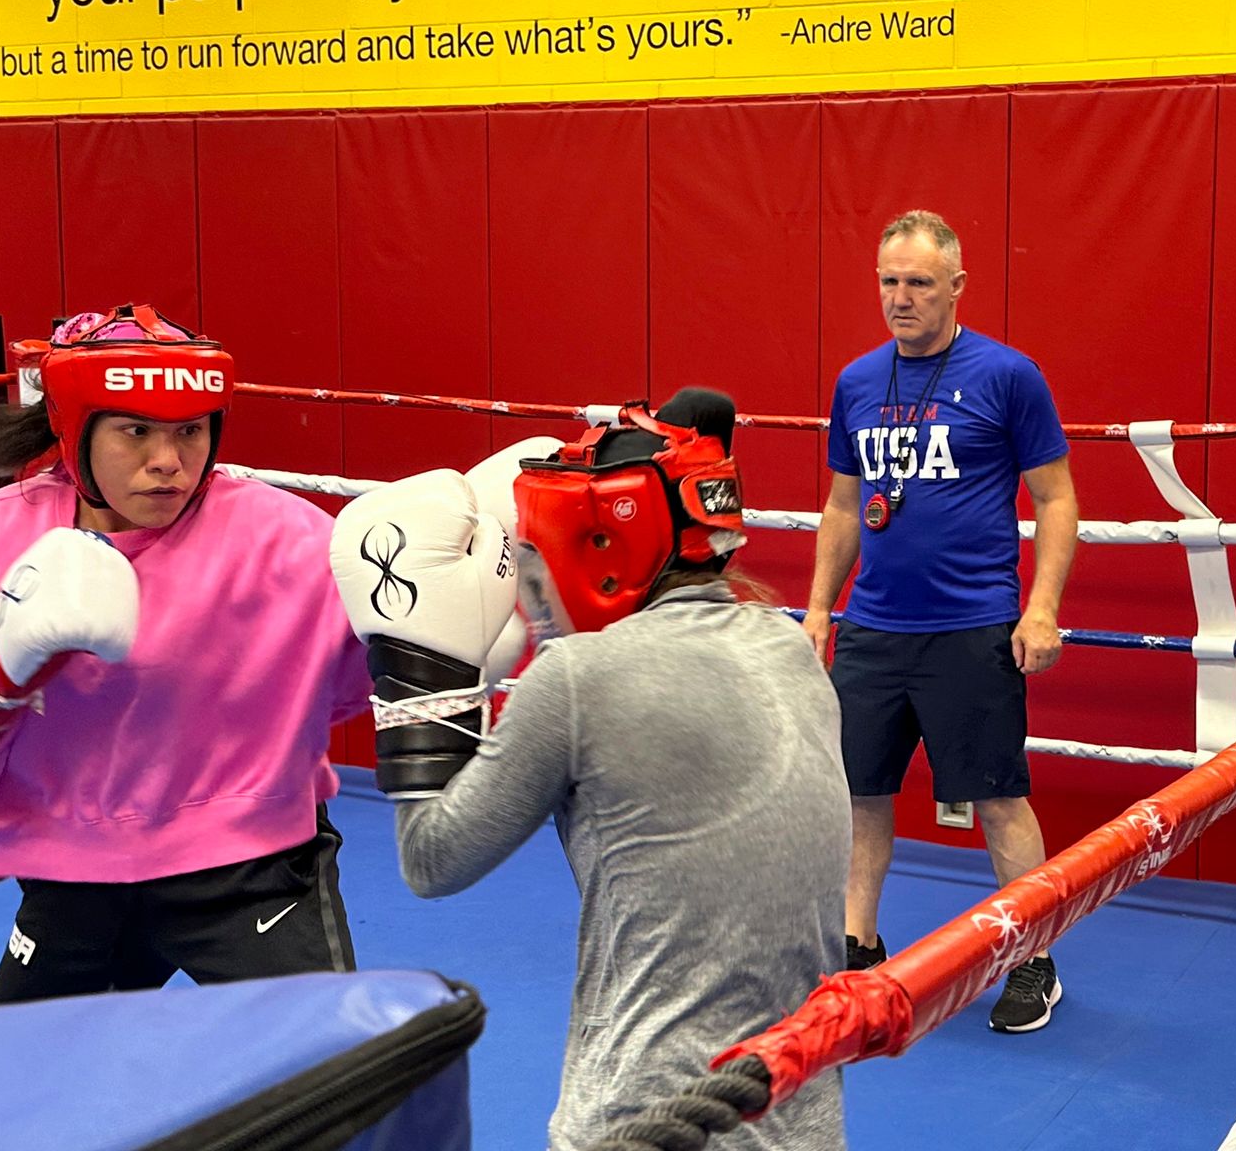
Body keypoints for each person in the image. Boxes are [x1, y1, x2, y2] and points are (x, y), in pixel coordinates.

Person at [329, 389, 850, 1151]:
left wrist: (424, 671)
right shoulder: (790, 653)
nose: (526, 598)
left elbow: (431, 861)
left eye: (533, 564)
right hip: (800, 1113)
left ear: (600, 555)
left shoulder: (580, 677)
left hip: (650, 1119)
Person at [0, 305, 372, 1004]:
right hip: (75, 864)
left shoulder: (277, 534)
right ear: (77, 435)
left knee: (327, 1081)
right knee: (23, 1093)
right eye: (136, 431)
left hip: (248, 859)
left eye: (189, 431)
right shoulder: (9, 530)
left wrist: (454, 619)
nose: (168, 462)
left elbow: (360, 677)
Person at [802, 208, 1079, 1034]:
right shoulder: (857, 382)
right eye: (888, 281)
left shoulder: (1007, 375)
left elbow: (1057, 498)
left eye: (918, 282)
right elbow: (845, 508)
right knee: (860, 794)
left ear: (956, 286)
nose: (900, 297)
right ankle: (858, 950)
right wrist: (820, 608)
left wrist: (1042, 607)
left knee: (998, 801)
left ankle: (1032, 958)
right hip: (876, 629)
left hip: (973, 627)